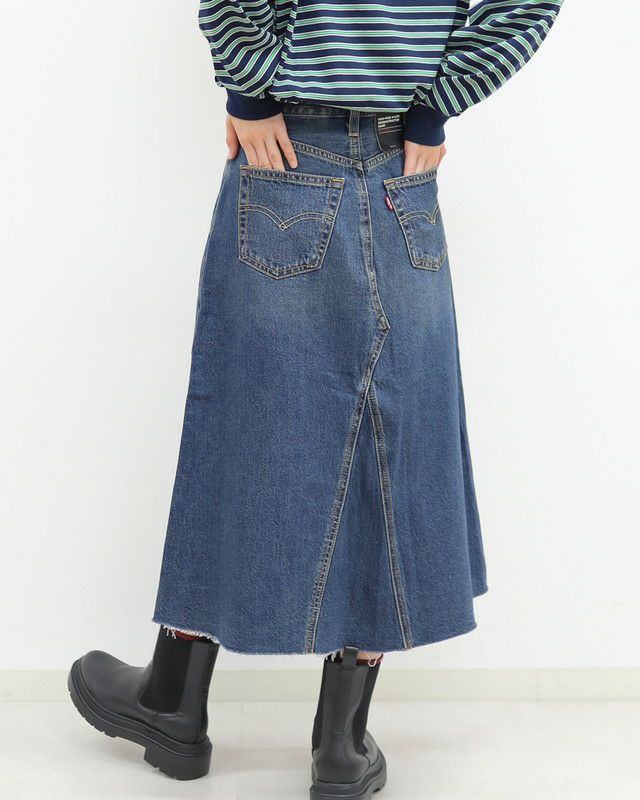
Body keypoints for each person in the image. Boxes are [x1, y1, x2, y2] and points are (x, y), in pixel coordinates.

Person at [68, 1, 564, 797]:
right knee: (392, 437)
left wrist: (250, 91)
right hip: (402, 165)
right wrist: (432, 105)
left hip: (289, 150)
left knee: (244, 427)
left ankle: (173, 700)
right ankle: (341, 744)